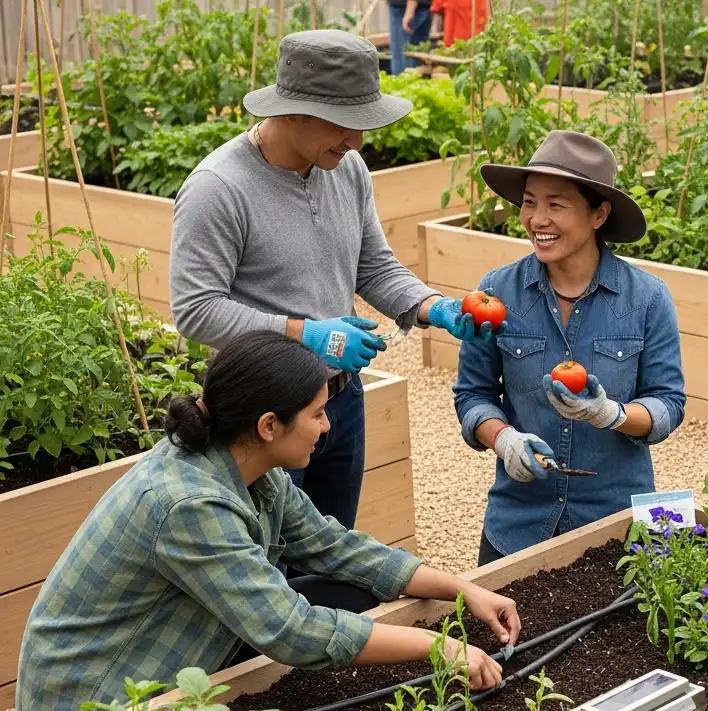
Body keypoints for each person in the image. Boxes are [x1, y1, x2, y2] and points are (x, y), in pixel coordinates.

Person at [14, 331, 520, 711]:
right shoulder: (190, 504)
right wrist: (441, 648)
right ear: (269, 425)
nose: (326, 427)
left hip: (174, 644)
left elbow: (335, 547)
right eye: (318, 414)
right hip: (95, 703)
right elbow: (290, 631)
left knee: (352, 592)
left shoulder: (255, 468)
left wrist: (463, 589)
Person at [169, 30, 498, 546]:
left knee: (331, 550)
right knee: (269, 564)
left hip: (340, 399)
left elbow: (374, 266)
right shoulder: (219, 189)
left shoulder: (346, 168)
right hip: (265, 417)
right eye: (346, 124)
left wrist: (435, 308)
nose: (358, 141)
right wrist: (306, 334)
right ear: (292, 111)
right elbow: (196, 309)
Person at [452, 130, 686, 566]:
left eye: (555, 204)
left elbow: (668, 403)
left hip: (614, 525)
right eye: (529, 202)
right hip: (517, 522)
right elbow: (472, 395)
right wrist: (504, 440)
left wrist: (611, 414)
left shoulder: (647, 298)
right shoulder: (497, 291)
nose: (537, 219)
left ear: (599, 214)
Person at [387, 0, 432, 76]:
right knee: (416, 65)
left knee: (402, 70)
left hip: (405, 9)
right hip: (417, 7)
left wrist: (410, 9)